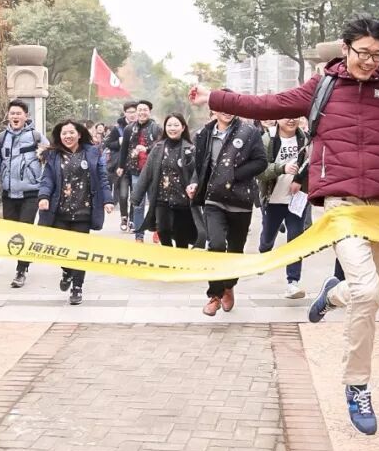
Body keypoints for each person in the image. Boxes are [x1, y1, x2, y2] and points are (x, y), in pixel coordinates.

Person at [189, 13, 379, 435]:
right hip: (341, 204)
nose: (369, 61)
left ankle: (332, 294)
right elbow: (267, 104)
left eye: (377, 55)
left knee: (372, 297)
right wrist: (215, 97)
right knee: (367, 291)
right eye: (363, 52)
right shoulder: (321, 88)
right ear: (345, 49)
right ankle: (357, 384)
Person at [189, 95, 268, 316]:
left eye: (230, 105)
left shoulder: (249, 132)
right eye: (221, 106)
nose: (226, 110)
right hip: (213, 199)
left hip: (240, 200)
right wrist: (195, 182)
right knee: (215, 245)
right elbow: (201, 166)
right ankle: (214, 295)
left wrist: (233, 175)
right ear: (213, 109)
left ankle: (228, 286)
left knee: (235, 251)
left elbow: (261, 162)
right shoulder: (204, 134)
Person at [37, 120, 114, 305]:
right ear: (60, 136)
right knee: (61, 250)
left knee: (80, 251)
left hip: (83, 211)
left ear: (79, 134)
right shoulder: (54, 155)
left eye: (71, 132)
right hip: (59, 211)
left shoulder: (93, 153)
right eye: (64, 133)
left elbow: (102, 179)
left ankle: (77, 287)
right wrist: (44, 197)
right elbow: (47, 179)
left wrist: (108, 200)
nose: (68, 136)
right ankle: (67, 271)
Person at [0, 100, 47, 289]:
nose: (15, 116)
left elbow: (50, 161)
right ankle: (25, 256)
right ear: (8, 116)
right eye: (12, 113)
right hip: (9, 194)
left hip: (31, 193)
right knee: (12, 232)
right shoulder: (1, 139)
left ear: (26, 116)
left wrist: (45, 189)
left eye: (19, 113)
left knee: (24, 230)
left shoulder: (36, 137)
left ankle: (21, 270)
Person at [258, 117, 309, 299]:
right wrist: (282, 168)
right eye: (286, 115)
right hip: (273, 199)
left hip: (297, 200)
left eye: (295, 115)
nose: (291, 120)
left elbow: (313, 164)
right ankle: (263, 255)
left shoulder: (306, 139)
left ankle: (293, 283)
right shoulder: (267, 139)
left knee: (296, 240)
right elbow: (260, 171)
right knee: (268, 237)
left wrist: (301, 181)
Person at [132, 113, 197, 249]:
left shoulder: (190, 149)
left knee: (181, 237)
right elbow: (147, 173)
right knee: (162, 230)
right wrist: (136, 197)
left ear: (183, 127)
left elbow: (196, 173)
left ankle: (180, 260)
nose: (172, 128)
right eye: (169, 125)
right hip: (161, 198)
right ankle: (167, 257)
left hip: (182, 200)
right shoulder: (158, 148)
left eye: (176, 125)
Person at [116, 100, 161, 242]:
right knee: (138, 204)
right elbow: (124, 149)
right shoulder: (129, 128)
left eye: (145, 110)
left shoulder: (156, 128)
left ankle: (157, 230)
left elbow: (160, 145)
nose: (142, 112)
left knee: (155, 203)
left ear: (149, 111)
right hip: (136, 172)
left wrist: (146, 149)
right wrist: (121, 166)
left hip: (153, 171)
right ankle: (139, 235)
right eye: (139, 110)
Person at [105, 102, 138, 232]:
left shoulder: (141, 128)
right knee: (123, 195)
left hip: (137, 167)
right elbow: (108, 143)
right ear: (125, 113)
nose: (132, 114)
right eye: (129, 112)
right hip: (122, 166)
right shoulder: (117, 128)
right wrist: (119, 142)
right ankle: (124, 217)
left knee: (135, 196)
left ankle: (133, 220)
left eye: (134, 111)